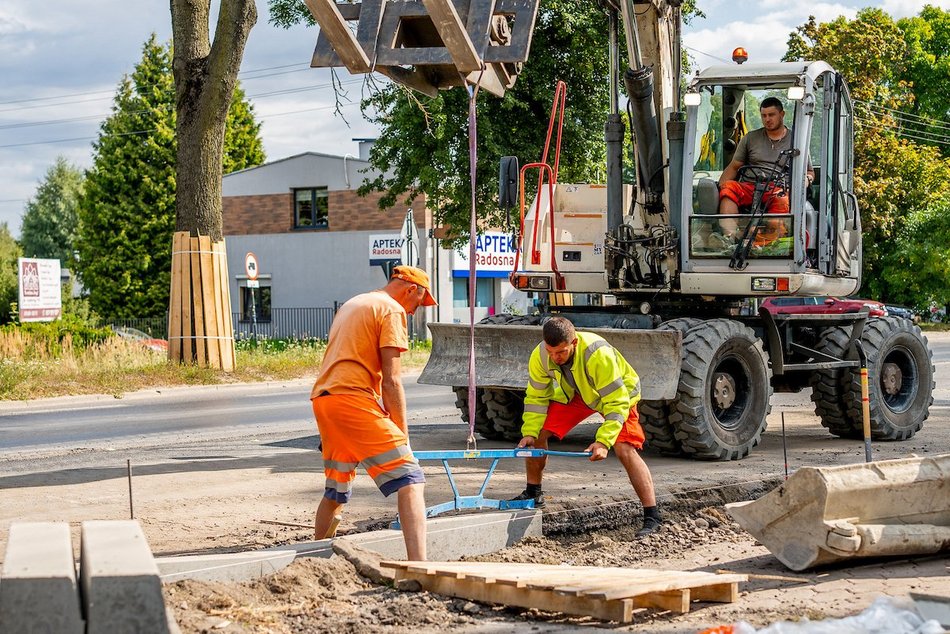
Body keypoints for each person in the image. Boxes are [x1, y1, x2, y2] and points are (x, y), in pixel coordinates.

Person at [310, 265, 437, 560]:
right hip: (353, 400)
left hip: (326, 400)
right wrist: (403, 437)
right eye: (419, 302)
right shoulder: (391, 309)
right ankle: (419, 565)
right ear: (410, 290)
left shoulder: (355, 303)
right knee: (411, 479)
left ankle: (314, 556)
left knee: (336, 490)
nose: (415, 311)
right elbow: (392, 380)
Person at [510, 316, 662, 537]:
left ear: (574, 343)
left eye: (561, 352)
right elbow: (536, 398)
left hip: (617, 395)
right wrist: (530, 433)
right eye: (551, 351)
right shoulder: (541, 355)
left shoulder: (597, 354)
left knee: (624, 448)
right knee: (540, 434)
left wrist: (603, 441)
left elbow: (616, 402)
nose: (555, 357)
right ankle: (534, 494)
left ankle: (652, 516)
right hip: (579, 393)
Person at [718, 97, 814, 246]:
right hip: (750, 186)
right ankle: (730, 238)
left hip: (778, 189)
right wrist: (721, 186)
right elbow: (734, 166)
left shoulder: (797, 140)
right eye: (764, 116)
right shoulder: (750, 138)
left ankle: (769, 245)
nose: (767, 119)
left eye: (771, 115)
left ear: (782, 114)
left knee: (783, 200)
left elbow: (809, 172)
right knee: (729, 189)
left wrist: (806, 181)